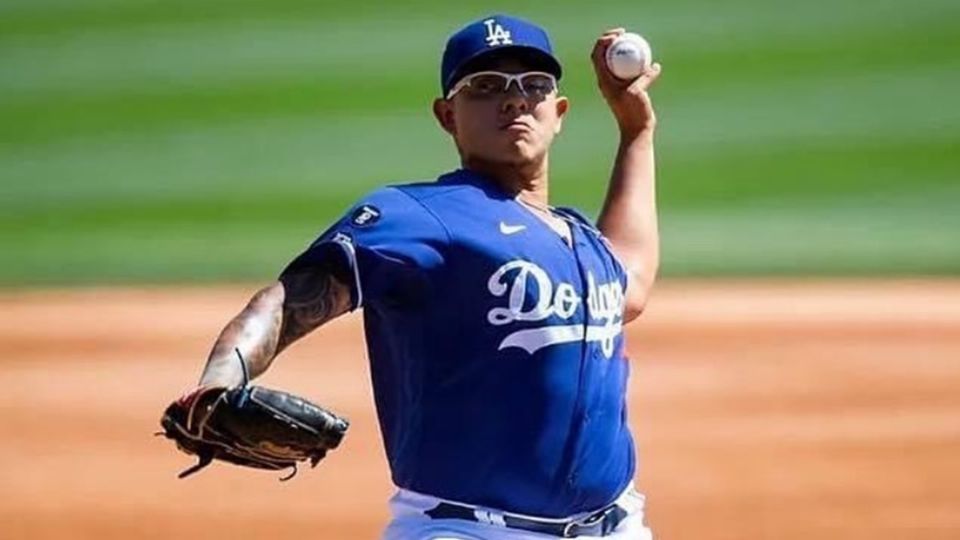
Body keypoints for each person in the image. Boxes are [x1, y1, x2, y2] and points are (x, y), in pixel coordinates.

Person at [179, 13, 661, 539]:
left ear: (559, 111)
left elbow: (629, 285)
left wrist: (636, 130)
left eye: (534, 85)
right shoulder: (417, 215)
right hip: (469, 530)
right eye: (485, 86)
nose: (514, 99)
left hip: (617, 526)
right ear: (446, 114)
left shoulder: (579, 239)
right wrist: (218, 385)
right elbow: (286, 301)